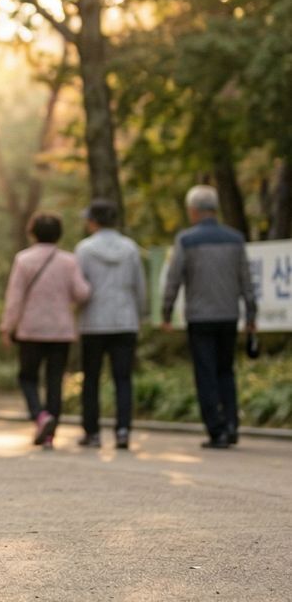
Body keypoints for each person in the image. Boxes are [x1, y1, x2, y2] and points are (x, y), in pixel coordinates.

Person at [161, 185, 259, 449]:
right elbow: (247, 281)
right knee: (226, 370)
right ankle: (231, 424)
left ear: (193, 211)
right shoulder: (236, 239)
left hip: (200, 317)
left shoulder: (186, 240)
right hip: (229, 314)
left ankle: (216, 431)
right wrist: (251, 314)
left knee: (205, 373)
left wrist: (166, 312)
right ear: (214, 209)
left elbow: (174, 279)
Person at [0, 213, 91, 449]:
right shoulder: (69, 261)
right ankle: (50, 435)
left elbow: (14, 298)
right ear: (59, 234)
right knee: (54, 381)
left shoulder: (23, 260)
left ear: (33, 233)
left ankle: (41, 417)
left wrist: (7, 327)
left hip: (31, 330)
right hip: (61, 331)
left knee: (27, 377)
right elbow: (82, 293)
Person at [75, 199, 147, 450]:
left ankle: (92, 433)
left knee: (91, 379)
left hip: (93, 322)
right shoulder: (130, 248)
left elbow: (78, 287)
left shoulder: (84, 249)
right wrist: (141, 314)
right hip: (125, 321)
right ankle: (123, 431)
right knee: (123, 379)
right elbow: (140, 286)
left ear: (94, 221)